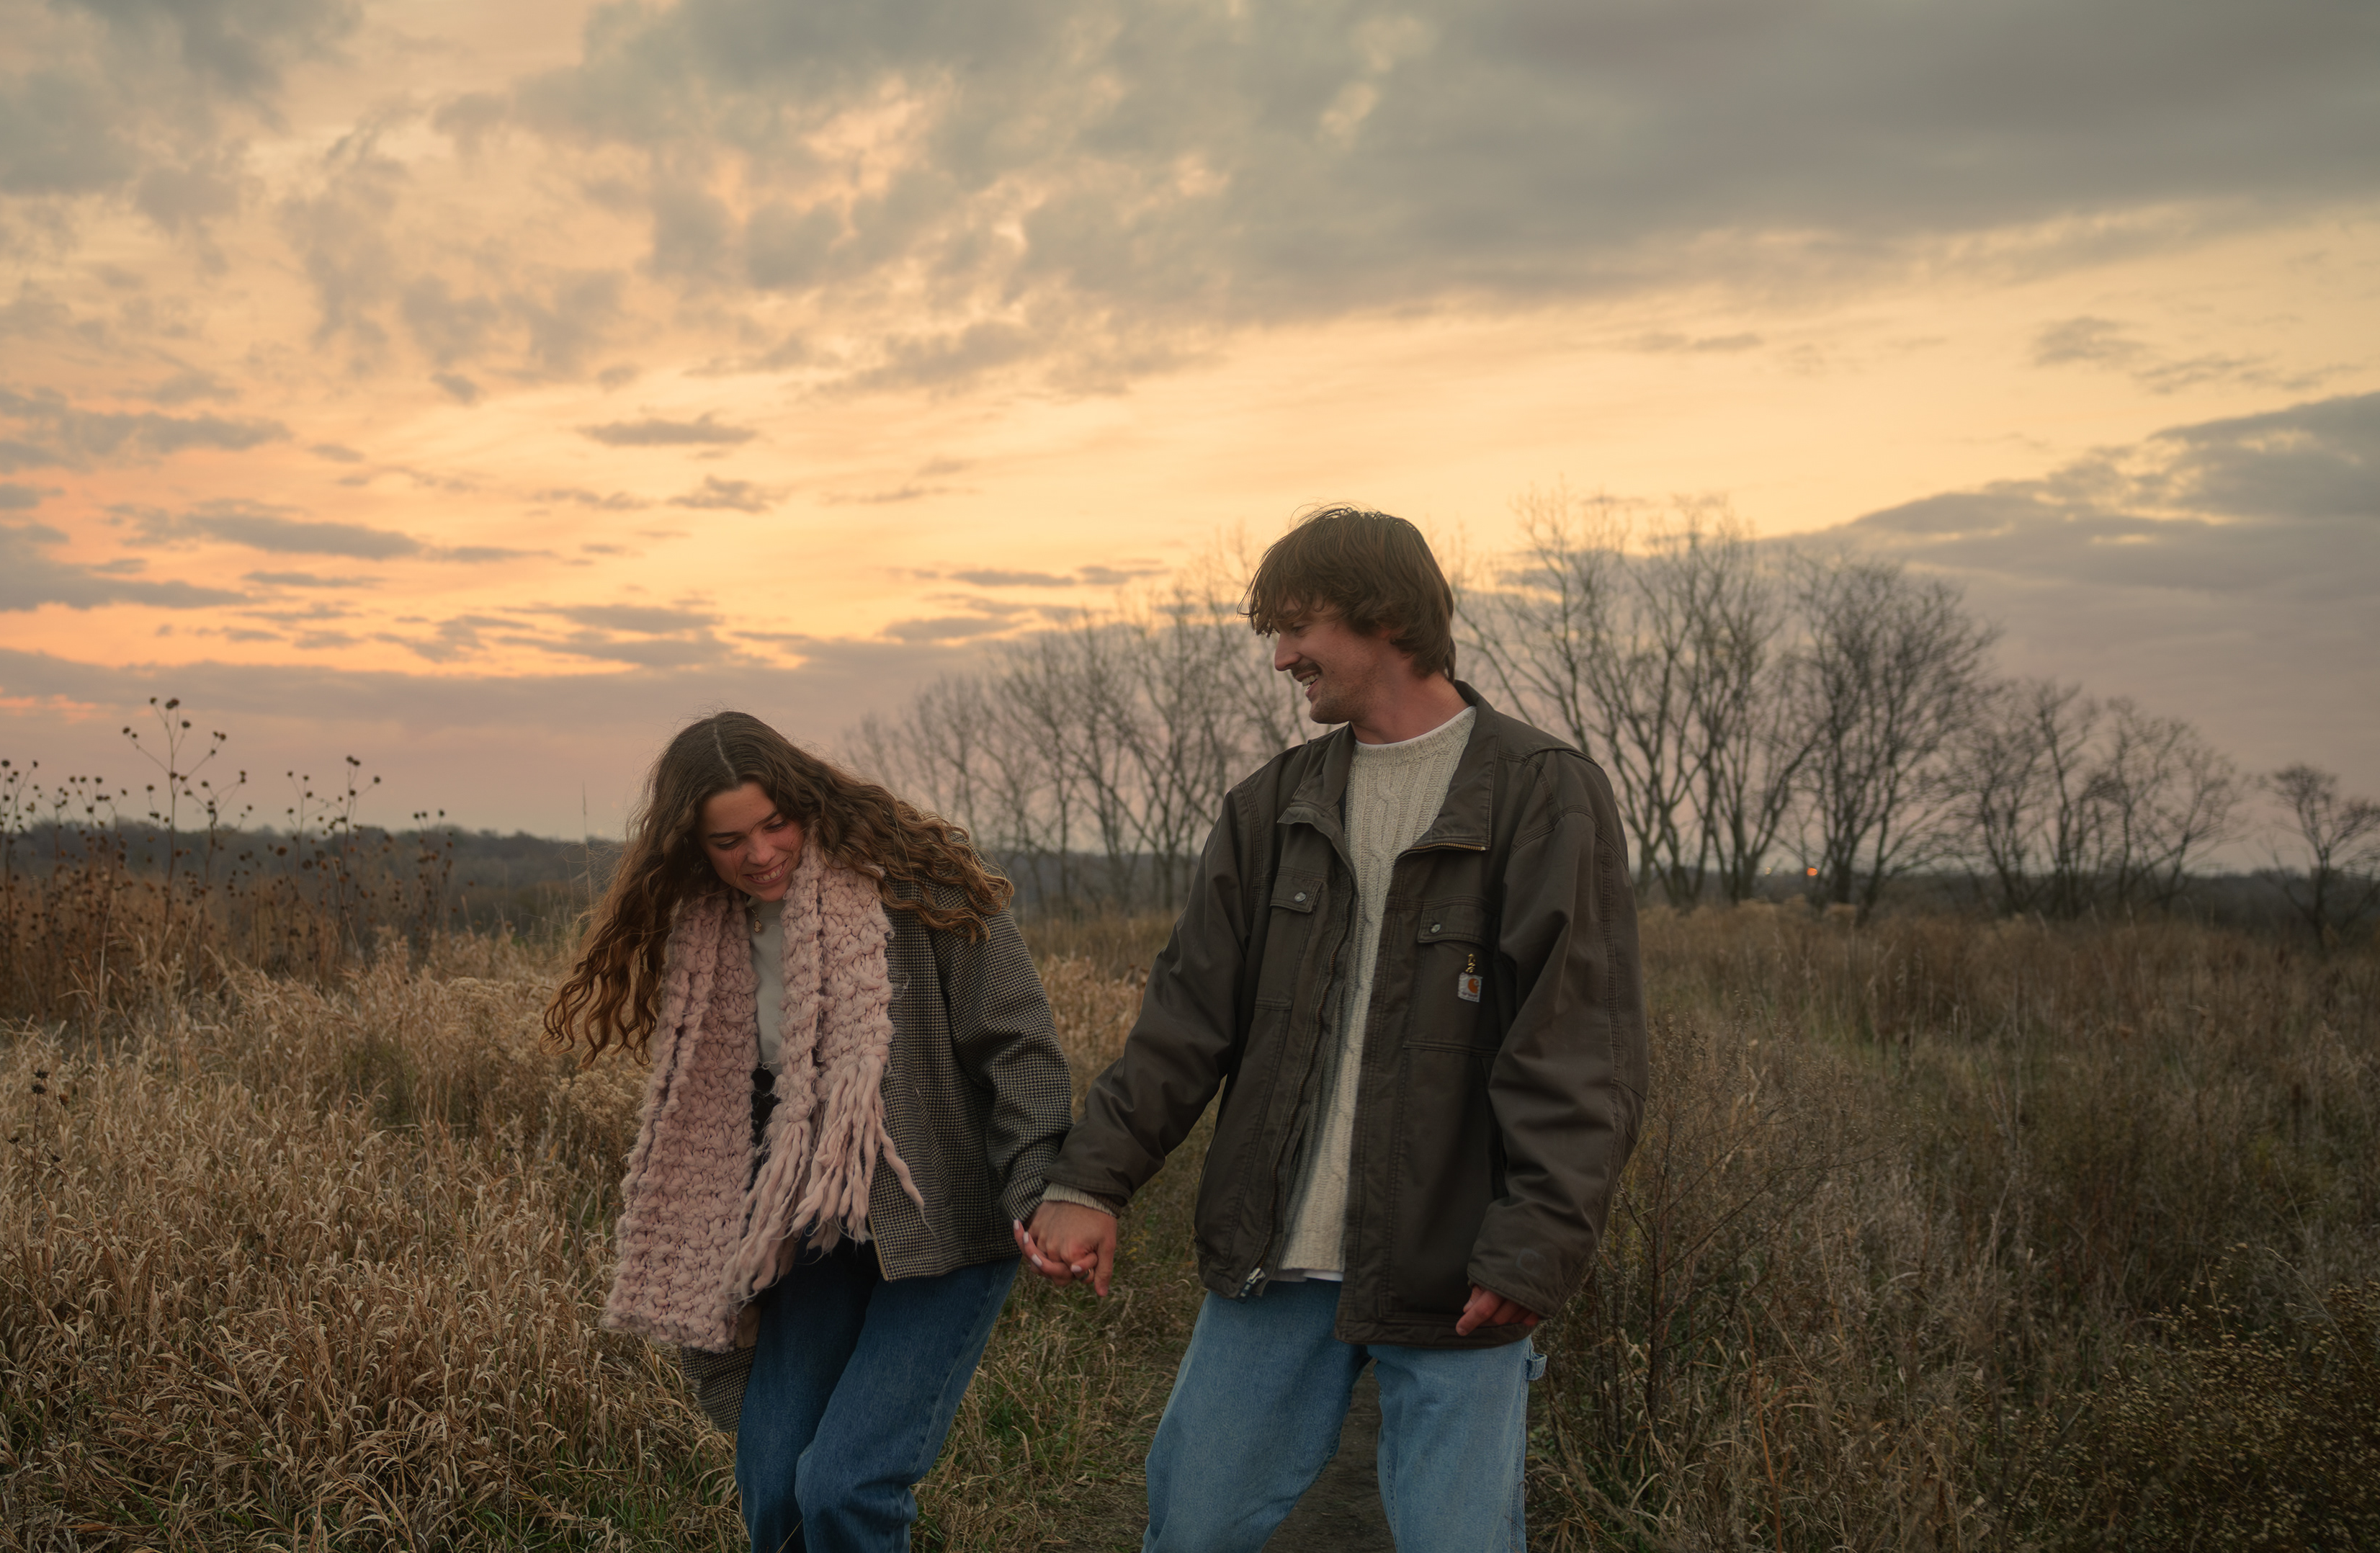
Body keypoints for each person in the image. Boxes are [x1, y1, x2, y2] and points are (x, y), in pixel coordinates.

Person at [1019, 507, 1647, 1553]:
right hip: (1274, 1259)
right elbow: (1184, 1022)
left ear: (1384, 616)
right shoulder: (1269, 807)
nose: (1282, 658)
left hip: (1457, 1275)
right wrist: (1092, 1183)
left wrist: (1535, 1249)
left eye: (1299, 626)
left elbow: (1581, 1054)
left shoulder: (1544, 796)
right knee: (1191, 1528)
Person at [548, 711, 1070, 1553]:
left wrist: (1039, 1189)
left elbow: (1020, 1046)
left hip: (944, 1224)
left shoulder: (917, 882)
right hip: (816, 1239)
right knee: (773, 1484)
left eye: (774, 824)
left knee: (844, 1487)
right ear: (693, 844)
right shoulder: (706, 933)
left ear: (805, 800)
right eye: (728, 840)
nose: (758, 853)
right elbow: (731, 1114)